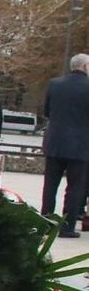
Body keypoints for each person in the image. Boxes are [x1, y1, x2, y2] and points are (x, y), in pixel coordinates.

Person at [41, 53, 89, 238]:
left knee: (50, 184)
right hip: (80, 145)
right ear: (85, 66)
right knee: (75, 187)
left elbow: (47, 111)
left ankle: (45, 220)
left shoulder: (54, 84)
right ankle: (67, 226)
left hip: (55, 142)